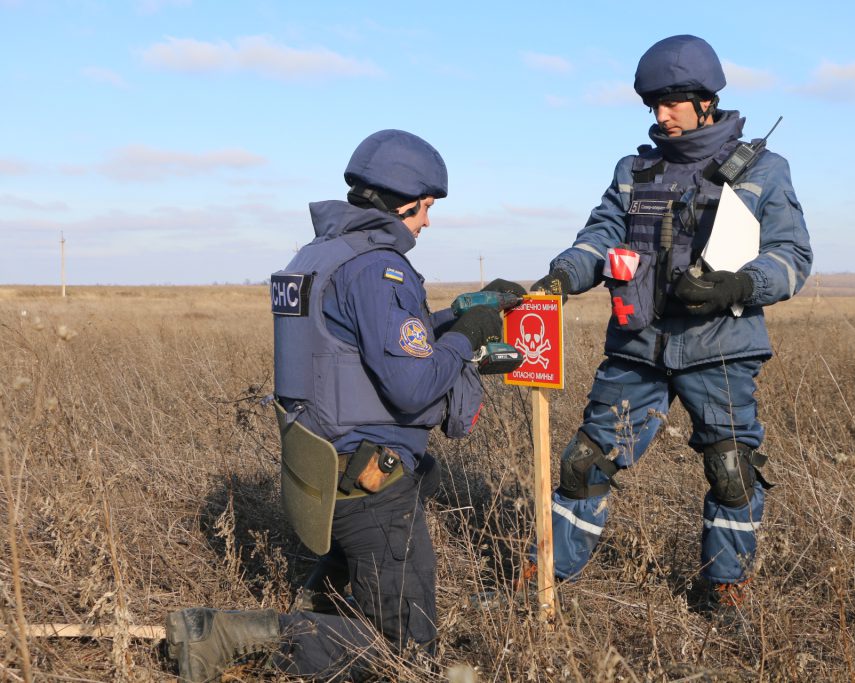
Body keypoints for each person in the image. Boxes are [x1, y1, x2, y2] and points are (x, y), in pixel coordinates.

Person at [165, 129, 524, 682]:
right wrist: (469, 334)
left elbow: (359, 344)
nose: (427, 222)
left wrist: (453, 316)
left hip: (321, 471)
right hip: (370, 482)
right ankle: (226, 636)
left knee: (346, 601)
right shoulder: (379, 269)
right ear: (404, 202)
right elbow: (414, 385)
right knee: (404, 654)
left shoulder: (317, 256)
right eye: (425, 209)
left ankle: (310, 621)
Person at [530, 35, 812, 613]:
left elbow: (792, 256)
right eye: (652, 105)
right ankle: (545, 581)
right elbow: (600, 237)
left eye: (673, 102)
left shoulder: (764, 170)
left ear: (706, 100)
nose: (662, 115)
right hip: (637, 348)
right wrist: (561, 279)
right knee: (584, 464)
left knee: (733, 471)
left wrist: (738, 285)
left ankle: (725, 591)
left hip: (722, 349)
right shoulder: (634, 170)